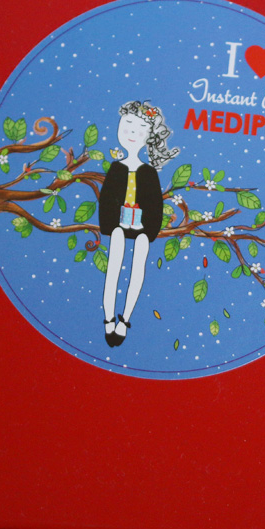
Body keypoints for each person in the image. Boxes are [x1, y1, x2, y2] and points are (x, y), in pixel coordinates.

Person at [97, 101, 180, 347]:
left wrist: (148, 231)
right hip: (118, 226)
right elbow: (107, 202)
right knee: (113, 268)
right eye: (128, 124)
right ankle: (108, 318)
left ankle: (125, 319)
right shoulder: (116, 168)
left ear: (149, 136)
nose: (133, 132)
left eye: (141, 128)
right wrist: (111, 226)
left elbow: (154, 205)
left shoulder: (148, 172)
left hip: (142, 228)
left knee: (137, 269)